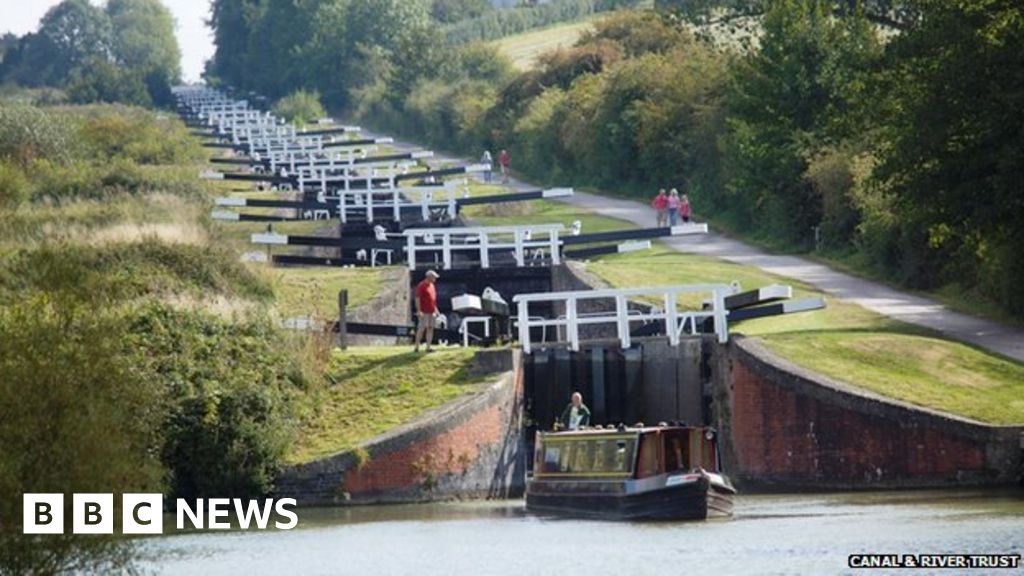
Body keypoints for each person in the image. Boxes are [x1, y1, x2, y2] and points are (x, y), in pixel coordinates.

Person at [413, 270, 440, 353]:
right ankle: (417, 347)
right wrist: (419, 310)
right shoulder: (421, 285)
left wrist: (436, 309)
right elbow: (417, 298)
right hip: (424, 311)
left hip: (432, 311)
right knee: (422, 328)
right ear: (429, 277)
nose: (435, 279)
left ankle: (428, 347)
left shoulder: (432, 286)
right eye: (434, 277)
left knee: (430, 328)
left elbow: (433, 299)